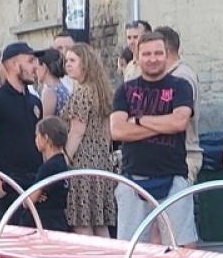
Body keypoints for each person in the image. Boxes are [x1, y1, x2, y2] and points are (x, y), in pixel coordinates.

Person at [110, 31, 197, 244]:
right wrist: (163, 125)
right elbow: (118, 130)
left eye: (158, 53)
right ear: (137, 58)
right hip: (133, 179)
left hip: (173, 175)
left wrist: (138, 120)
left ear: (167, 55)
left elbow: (179, 122)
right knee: (131, 249)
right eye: (147, 54)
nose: (153, 58)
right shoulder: (125, 90)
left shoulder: (181, 86)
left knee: (182, 248)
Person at [0, 42, 43, 223]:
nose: (35, 66)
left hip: (32, 181)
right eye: (30, 61)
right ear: (14, 65)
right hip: (8, 182)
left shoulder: (35, 102)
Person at [60, 44, 116, 235]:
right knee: (100, 222)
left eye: (73, 61)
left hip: (82, 162)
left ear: (85, 63)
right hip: (101, 161)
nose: (67, 65)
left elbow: (76, 131)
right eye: (66, 60)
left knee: (82, 222)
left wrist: (64, 160)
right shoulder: (101, 91)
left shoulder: (82, 93)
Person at [155, 27, 204, 183]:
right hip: (163, 159)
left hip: (182, 158)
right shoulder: (166, 76)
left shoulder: (182, 78)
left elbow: (177, 120)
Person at [32, 116, 71, 231]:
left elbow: (30, 200)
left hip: (46, 222)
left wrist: (30, 197)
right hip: (59, 220)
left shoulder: (48, 168)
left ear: (46, 138)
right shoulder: (62, 163)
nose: (35, 139)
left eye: (37, 135)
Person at [36, 47, 71, 118]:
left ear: (44, 66)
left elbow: (45, 124)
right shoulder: (62, 87)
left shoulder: (49, 91)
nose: (34, 71)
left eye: (36, 67)